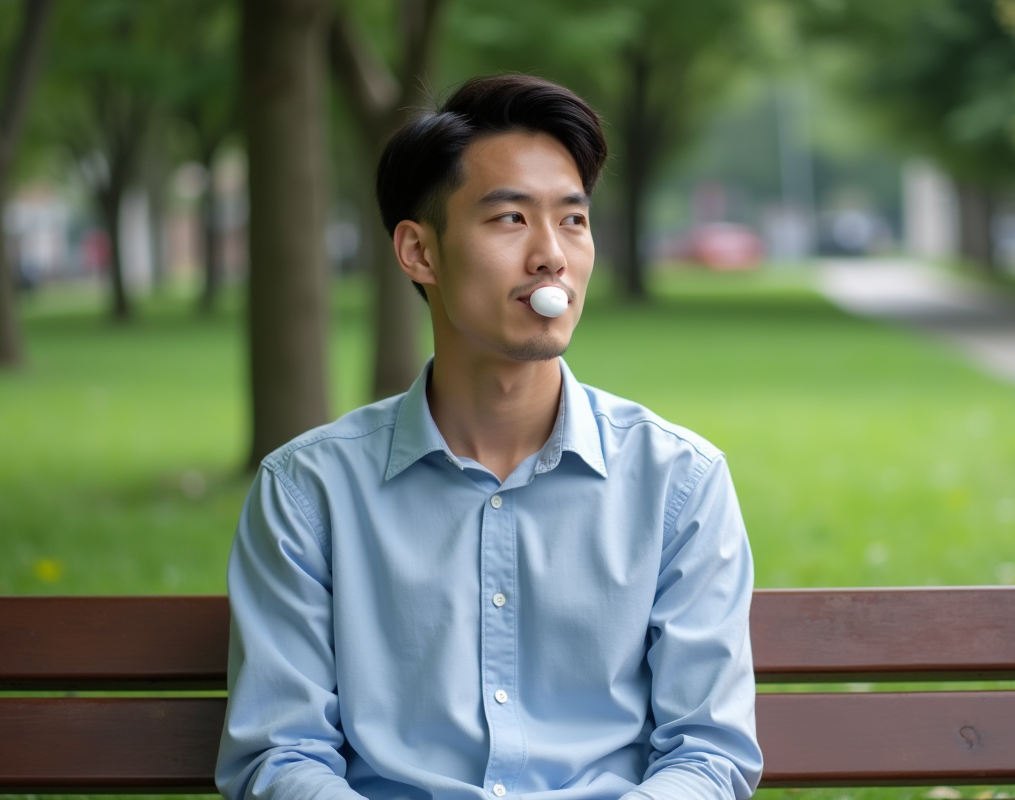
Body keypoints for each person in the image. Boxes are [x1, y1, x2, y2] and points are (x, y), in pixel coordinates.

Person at [216, 74, 762, 800]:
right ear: (419, 253)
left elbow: (709, 754)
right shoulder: (308, 492)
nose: (551, 257)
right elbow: (280, 756)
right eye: (510, 219)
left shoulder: (678, 482)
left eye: (572, 220)